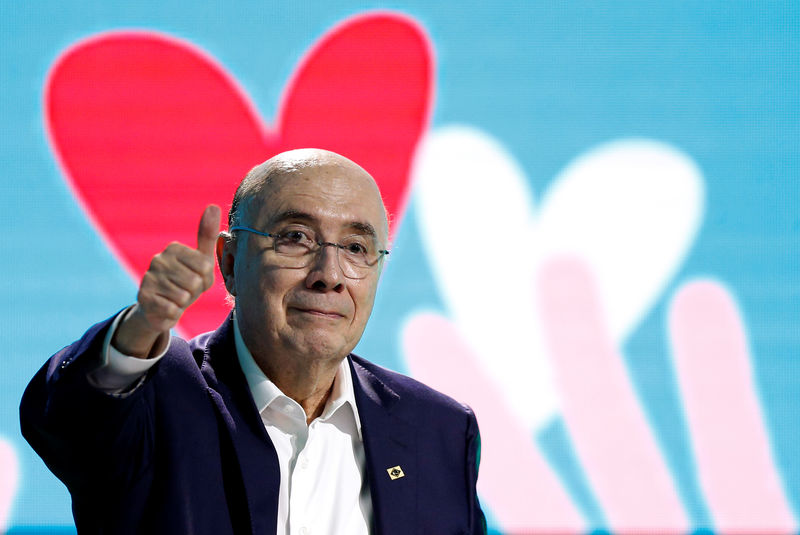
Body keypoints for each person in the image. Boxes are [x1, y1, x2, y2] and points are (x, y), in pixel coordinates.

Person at [20, 149, 486, 534]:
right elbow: (68, 416)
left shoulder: (438, 430)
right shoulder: (159, 396)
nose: (329, 276)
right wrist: (142, 326)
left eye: (356, 249)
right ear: (229, 261)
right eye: (296, 238)